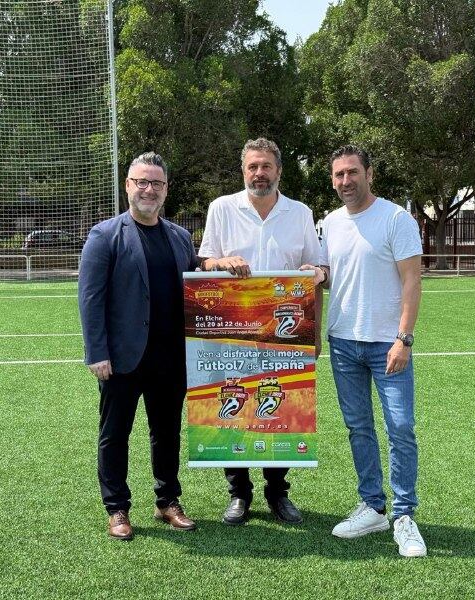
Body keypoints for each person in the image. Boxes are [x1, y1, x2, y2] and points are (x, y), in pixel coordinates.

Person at [199, 137, 324, 526]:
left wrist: (315, 324)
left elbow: (317, 271)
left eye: (266, 166)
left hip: (286, 332)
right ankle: (239, 494)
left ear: (279, 171)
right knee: (233, 409)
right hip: (234, 330)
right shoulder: (221, 208)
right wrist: (221, 260)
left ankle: (277, 493)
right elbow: (204, 261)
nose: (259, 173)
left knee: (280, 410)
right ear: (243, 170)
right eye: (253, 166)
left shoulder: (300, 212)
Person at [78, 151, 199, 541]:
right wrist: (97, 352)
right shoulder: (104, 236)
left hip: (170, 358)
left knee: (166, 434)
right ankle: (117, 508)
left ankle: (168, 501)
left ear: (166, 191)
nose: (149, 189)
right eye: (141, 182)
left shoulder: (180, 238)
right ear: (128, 186)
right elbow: (90, 298)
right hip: (122, 360)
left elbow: (199, 291)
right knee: (115, 434)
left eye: (156, 183)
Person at [316, 144, 427, 557]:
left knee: (400, 427)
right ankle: (373, 506)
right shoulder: (328, 223)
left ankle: (403, 515)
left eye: (352, 173)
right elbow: (327, 276)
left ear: (369, 174)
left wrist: (404, 339)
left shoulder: (396, 219)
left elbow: (412, 282)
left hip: (388, 344)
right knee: (358, 428)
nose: (346, 181)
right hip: (343, 341)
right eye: (339, 175)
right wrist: (314, 274)